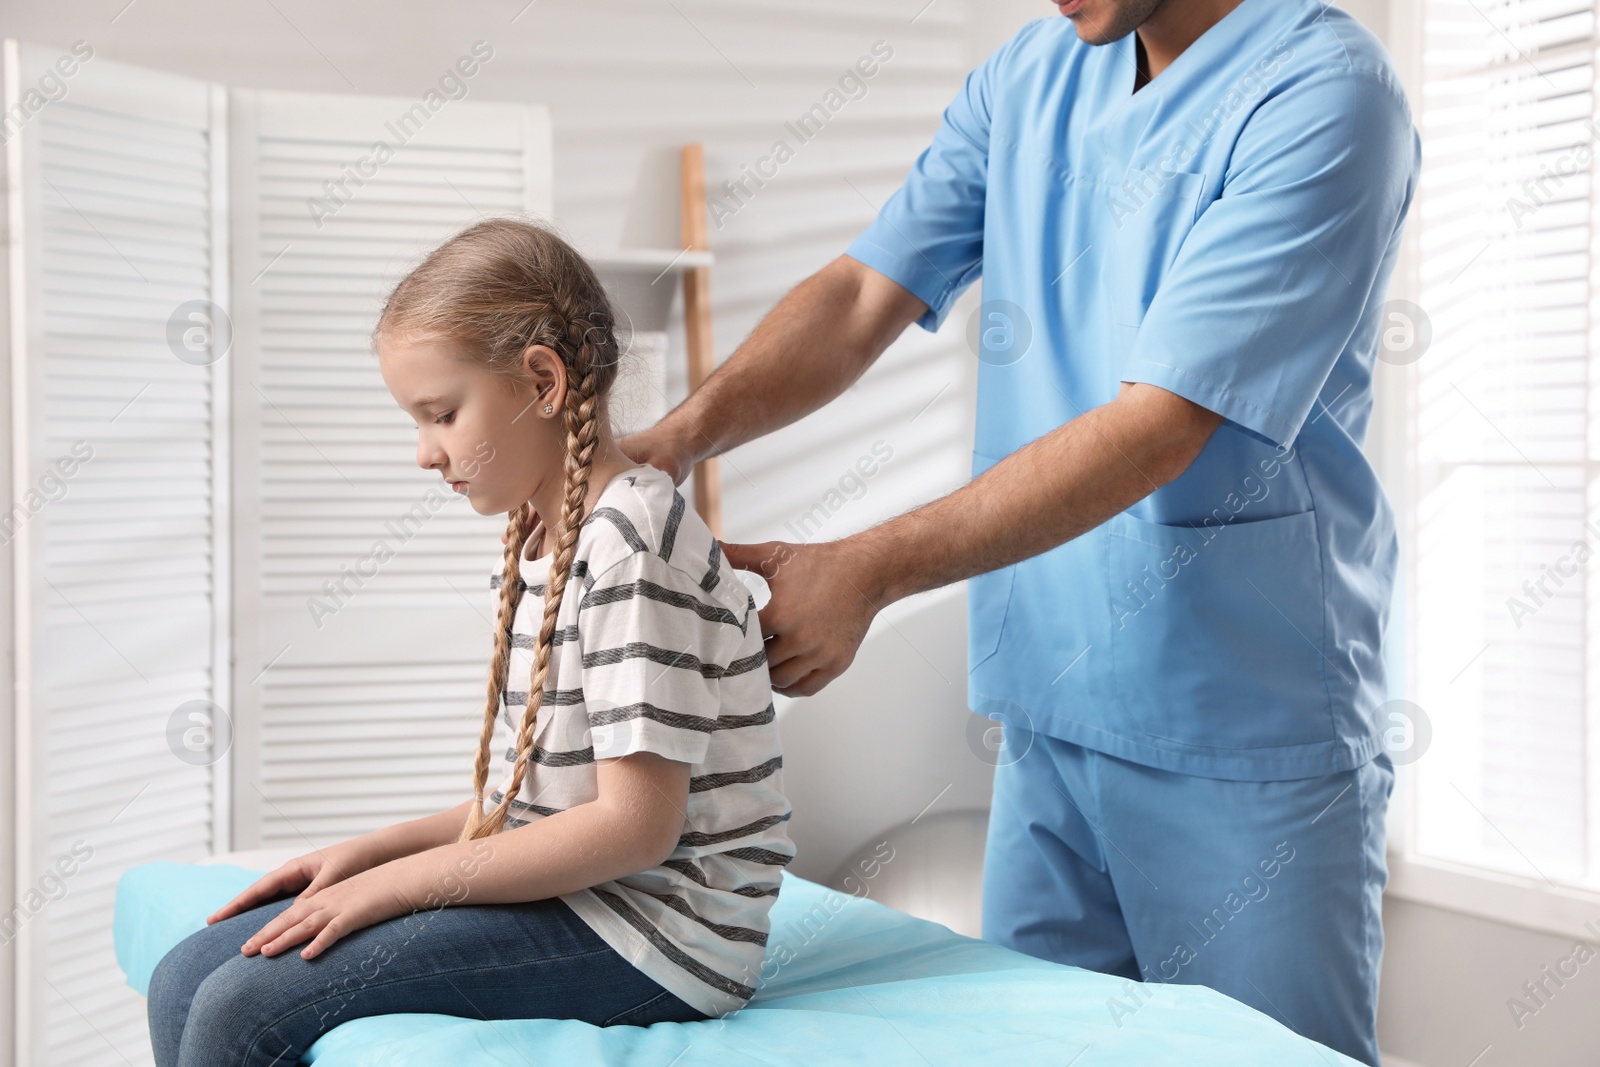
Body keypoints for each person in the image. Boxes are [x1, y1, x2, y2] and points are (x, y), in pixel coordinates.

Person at [620, 1, 1418, 1063]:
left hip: (1242, 727)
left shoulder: (1324, 94)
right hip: (1049, 705)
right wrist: (672, 440)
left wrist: (867, 568)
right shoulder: (1033, 75)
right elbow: (864, 291)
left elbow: (1156, 427)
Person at [145, 218, 795, 1066]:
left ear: (542, 380)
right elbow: (544, 804)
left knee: (241, 1010)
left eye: (441, 414)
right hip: (589, 896)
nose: (424, 454)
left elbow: (634, 830)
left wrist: (391, 889)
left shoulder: (632, 541)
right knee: (182, 978)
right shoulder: (543, 537)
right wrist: (367, 854)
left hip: (661, 934)